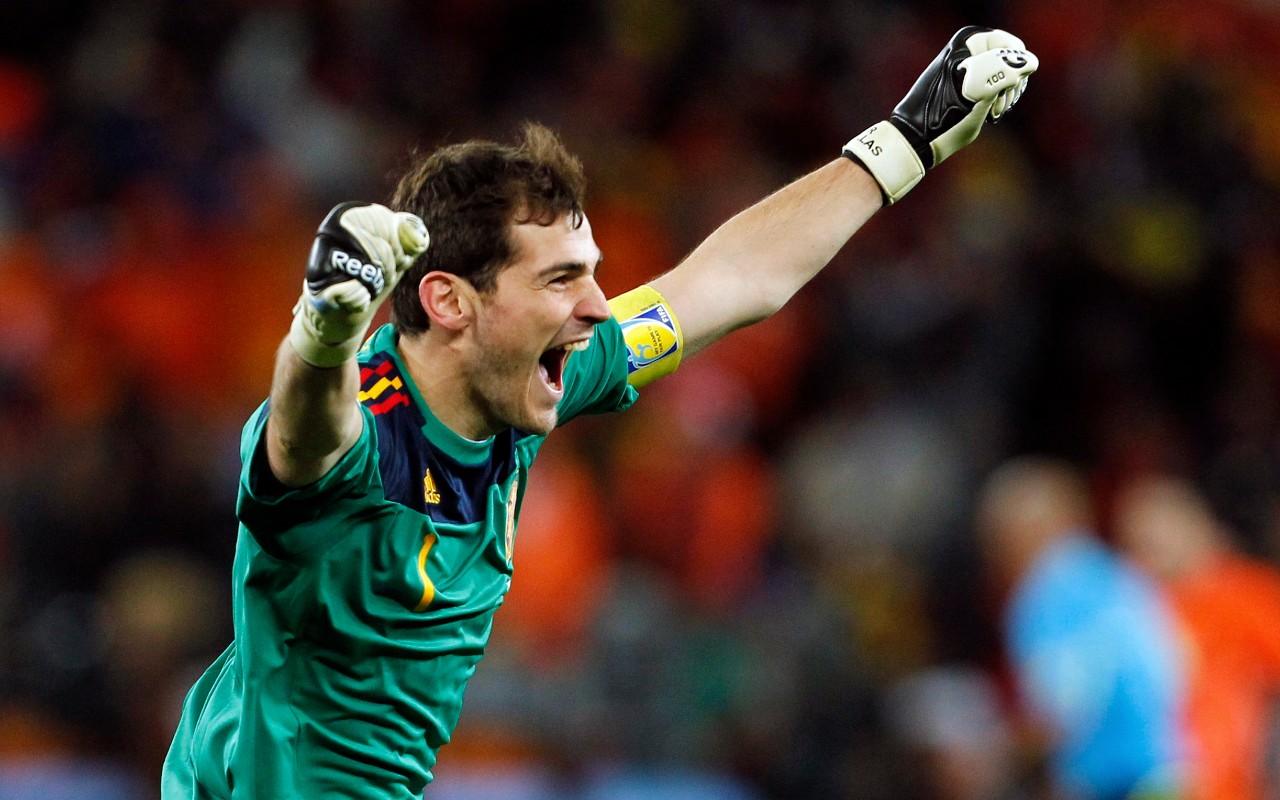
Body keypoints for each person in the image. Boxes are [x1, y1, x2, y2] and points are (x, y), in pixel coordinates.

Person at [161, 27, 1039, 800]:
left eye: (589, 271)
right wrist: (322, 330)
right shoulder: (361, 441)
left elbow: (727, 283)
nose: (595, 306)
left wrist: (902, 144)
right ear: (451, 302)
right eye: (559, 279)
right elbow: (306, 430)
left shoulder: (540, 371)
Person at [976, 457, 1188, 800]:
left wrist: (1004, 749)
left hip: (1108, 782)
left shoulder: (1045, 595)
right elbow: (1174, 667)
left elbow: (1060, 706)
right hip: (1166, 774)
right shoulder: (1117, 574)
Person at [1115, 473, 1280, 800]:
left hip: (1234, 782)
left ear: (1198, 525)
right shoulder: (1135, 607)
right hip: (1153, 781)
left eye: (1163, 533)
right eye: (1141, 542)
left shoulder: (1248, 592)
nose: (1154, 549)